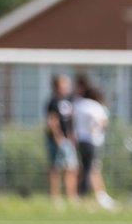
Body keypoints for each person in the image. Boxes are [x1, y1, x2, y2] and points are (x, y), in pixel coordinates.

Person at [73, 82, 117, 210]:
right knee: (89, 169)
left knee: (90, 168)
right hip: (91, 141)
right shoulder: (95, 106)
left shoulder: (80, 104)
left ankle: (99, 195)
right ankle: (82, 196)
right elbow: (101, 121)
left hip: (80, 140)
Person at [45, 74, 79, 206]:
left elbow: (70, 121)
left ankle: (72, 197)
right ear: (56, 86)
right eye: (62, 84)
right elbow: (51, 120)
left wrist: (72, 135)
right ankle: (55, 199)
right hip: (57, 140)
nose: (65, 87)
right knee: (55, 168)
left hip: (69, 140)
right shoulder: (53, 101)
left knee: (71, 168)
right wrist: (57, 136)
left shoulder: (69, 100)